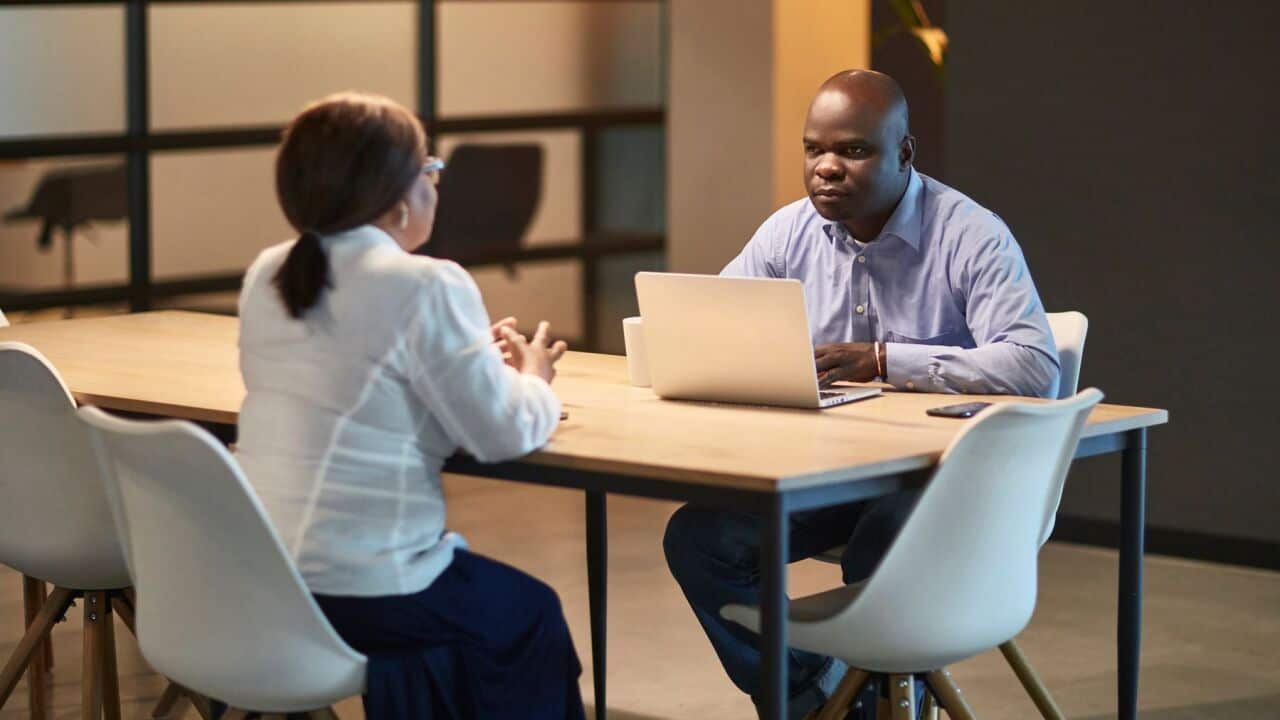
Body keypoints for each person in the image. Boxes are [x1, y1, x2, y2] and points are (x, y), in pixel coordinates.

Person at [662, 70, 1061, 719]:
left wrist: (882, 360)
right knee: (699, 538)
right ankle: (818, 697)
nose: (826, 168)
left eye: (853, 151)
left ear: (904, 153)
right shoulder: (786, 234)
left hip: (945, 481)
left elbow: (1033, 363)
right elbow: (718, 325)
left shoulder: (969, 234)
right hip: (832, 473)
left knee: (885, 543)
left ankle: (868, 698)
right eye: (814, 149)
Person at [235, 92, 585, 720]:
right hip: (367, 589)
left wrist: (465, 357)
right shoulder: (428, 282)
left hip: (264, 578)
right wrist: (535, 377)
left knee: (479, 609)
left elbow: (353, 382)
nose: (435, 184)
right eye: (431, 170)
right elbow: (502, 435)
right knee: (530, 614)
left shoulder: (269, 271)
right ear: (399, 199)